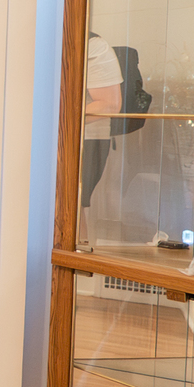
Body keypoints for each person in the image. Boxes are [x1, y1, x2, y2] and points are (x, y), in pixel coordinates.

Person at [80, 33, 123, 245]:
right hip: (47, 137)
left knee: (72, 205)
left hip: (85, 139)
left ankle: (75, 258)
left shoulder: (93, 45)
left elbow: (109, 104)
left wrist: (54, 120)